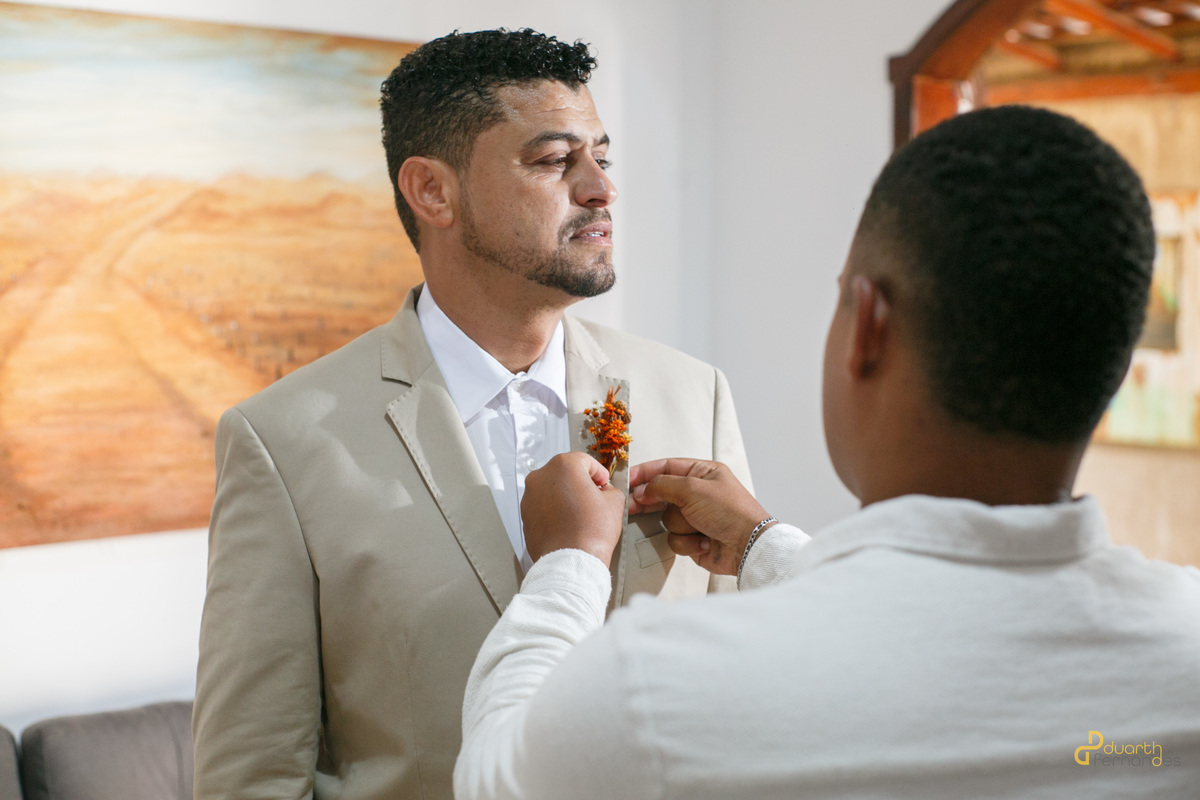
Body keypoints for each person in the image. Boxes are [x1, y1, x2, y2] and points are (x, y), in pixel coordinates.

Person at [454, 105, 1200, 799]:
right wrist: (762, 547)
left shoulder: (660, 686)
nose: (599, 187)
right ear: (1112, 373)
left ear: (869, 326)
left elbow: (495, 773)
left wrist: (569, 565)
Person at [192, 29, 751, 800]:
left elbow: (741, 699)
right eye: (556, 160)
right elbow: (251, 776)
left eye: (602, 157)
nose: (600, 189)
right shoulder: (283, 441)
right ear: (432, 191)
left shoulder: (694, 395)